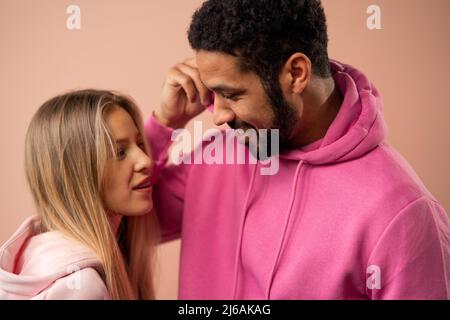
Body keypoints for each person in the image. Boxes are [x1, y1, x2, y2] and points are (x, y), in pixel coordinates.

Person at [146, 0, 450, 299]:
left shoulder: (402, 212)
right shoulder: (222, 153)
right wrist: (163, 125)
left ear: (296, 73)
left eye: (232, 94)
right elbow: (119, 226)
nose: (218, 115)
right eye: (214, 93)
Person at [0, 90, 159, 299]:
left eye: (139, 144)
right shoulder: (83, 287)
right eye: (120, 152)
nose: (146, 160)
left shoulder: (38, 252)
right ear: (75, 172)